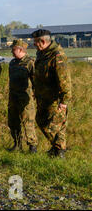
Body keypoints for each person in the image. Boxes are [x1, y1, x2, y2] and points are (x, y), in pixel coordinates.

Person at [32, 29, 72, 158]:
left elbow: (64, 80)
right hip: (43, 97)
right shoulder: (42, 53)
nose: (34, 45)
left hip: (54, 99)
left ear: (43, 41)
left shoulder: (57, 55)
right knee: (41, 120)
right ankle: (58, 149)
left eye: (36, 42)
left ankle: (59, 151)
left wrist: (64, 101)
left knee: (54, 126)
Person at [8, 39, 38, 153]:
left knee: (28, 123)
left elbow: (35, 80)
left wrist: (36, 94)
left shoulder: (30, 62)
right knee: (13, 121)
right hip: (13, 97)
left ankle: (32, 147)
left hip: (25, 98)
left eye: (13, 49)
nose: (11, 52)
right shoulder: (12, 63)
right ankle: (17, 144)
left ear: (21, 49)